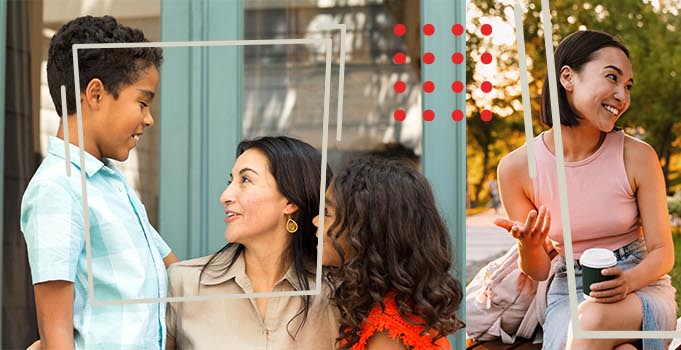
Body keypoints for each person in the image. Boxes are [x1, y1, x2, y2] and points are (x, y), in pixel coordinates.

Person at [494, 30, 677, 350]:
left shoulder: (638, 156)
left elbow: (663, 253)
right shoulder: (516, 169)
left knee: (589, 323)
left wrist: (626, 282)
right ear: (567, 77)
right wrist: (529, 246)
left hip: (640, 284)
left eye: (628, 86)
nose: (622, 96)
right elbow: (539, 271)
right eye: (612, 77)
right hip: (568, 287)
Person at [21, 15, 175, 350]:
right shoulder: (57, 189)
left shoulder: (111, 185)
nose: (149, 118)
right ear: (95, 94)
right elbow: (56, 334)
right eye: (142, 102)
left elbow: (175, 272)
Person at [167, 136, 337, 349]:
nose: (225, 196)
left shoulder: (337, 295)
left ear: (291, 202)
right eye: (230, 182)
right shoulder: (184, 282)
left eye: (245, 180)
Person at [319, 156, 464, 349]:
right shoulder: (394, 306)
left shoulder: (387, 334)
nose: (316, 221)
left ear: (366, 229)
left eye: (327, 213)